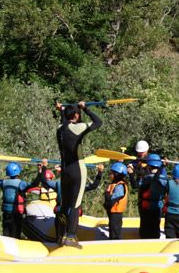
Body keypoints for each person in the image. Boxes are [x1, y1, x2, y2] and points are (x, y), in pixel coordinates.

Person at [55, 101, 102, 247]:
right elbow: (98, 122)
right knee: (75, 205)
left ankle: (60, 235)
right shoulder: (79, 127)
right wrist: (85, 108)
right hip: (77, 169)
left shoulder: (59, 129)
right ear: (76, 115)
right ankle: (71, 237)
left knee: (64, 205)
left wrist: (62, 110)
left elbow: (65, 122)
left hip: (65, 171)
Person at [38, 162, 103, 243]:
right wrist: (100, 172)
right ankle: (68, 239)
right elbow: (94, 186)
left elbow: (44, 181)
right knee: (69, 231)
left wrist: (43, 168)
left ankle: (59, 239)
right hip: (72, 213)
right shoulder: (79, 184)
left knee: (60, 231)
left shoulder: (58, 183)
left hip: (62, 211)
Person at [0, 159, 40, 239]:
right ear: (18, 172)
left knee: (6, 235)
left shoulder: (4, 183)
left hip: (6, 213)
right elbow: (35, 183)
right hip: (16, 213)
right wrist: (40, 171)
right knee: (15, 236)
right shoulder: (21, 184)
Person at [130, 153, 167, 239]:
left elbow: (135, 185)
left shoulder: (145, 179)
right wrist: (164, 166)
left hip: (145, 207)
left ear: (149, 166)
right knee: (155, 229)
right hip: (158, 207)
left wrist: (131, 174)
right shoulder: (164, 179)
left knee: (144, 230)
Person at [104, 162, 129, 240]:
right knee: (112, 230)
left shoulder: (120, 186)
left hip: (116, 213)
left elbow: (112, 201)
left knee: (115, 232)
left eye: (111, 173)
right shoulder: (115, 184)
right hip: (113, 213)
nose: (110, 175)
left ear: (117, 174)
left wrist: (107, 193)